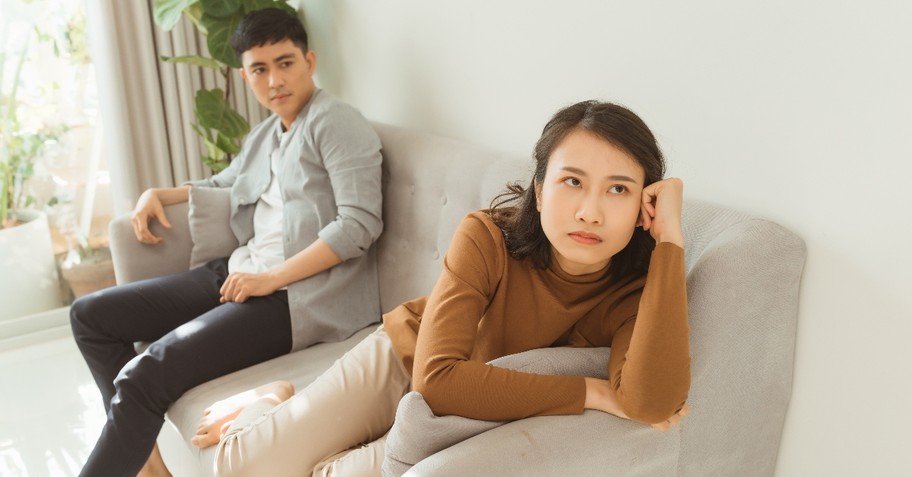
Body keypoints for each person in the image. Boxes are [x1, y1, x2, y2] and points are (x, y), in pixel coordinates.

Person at [193, 100, 691, 477]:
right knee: (237, 467)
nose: (590, 211)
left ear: (642, 207)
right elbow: (437, 377)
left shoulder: (636, 292)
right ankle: (269, 399)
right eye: (573, 182)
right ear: (539, 191)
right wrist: (591, 391)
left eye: (619, 189)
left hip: (462, 417)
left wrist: (670, 242)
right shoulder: (488, 236)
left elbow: (652, 403)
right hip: (404, 358)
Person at [69, 8, 383, 477]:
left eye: (285, 62)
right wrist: (159, 193)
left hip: (292, 296)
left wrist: (269, 278)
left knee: (144, 373)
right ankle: (149, 464)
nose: (274, 79)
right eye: (260, 68)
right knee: (91, 315)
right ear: (246, 75)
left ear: (309, 61)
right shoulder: (266, 134)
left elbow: (359, 224)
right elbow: (224, 182)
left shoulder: (335, 123)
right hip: (243, 271)